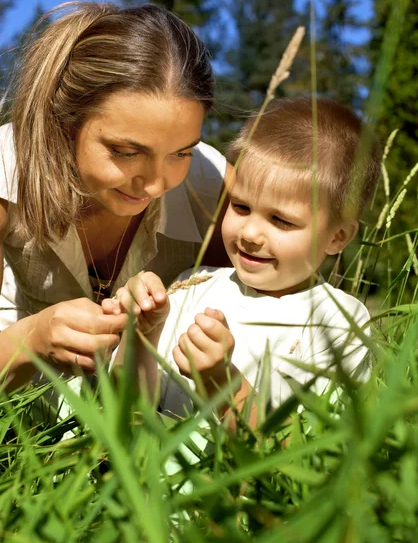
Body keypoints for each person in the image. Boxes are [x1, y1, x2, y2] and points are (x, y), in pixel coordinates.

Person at [106, 97, 381, 427]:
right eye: (240, 207)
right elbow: (130, 411)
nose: (250, 233)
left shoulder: (337, 323)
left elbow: (303, 453)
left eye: (281, 220)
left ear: (337, 236)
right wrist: (142, 336)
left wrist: (222, 385)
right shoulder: (192, 286)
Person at [0, 1, 231, 392]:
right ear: (65, 120)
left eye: (181, 152)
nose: (156, 185)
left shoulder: (213, 186)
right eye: (127, 152)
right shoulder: (5, 175)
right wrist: (32, 338)